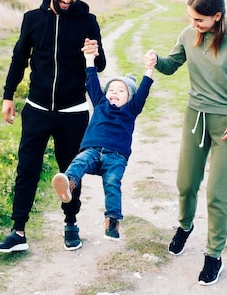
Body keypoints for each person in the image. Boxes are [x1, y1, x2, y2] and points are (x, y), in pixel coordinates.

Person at [145, 0, 227, 285]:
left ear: (217, 16)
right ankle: (184, 227)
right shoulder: (188, 35)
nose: (193, 24)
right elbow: (172, 66)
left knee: (217, 195)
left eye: (199, 20)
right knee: (186, 183)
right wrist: (157, 59)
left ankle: (213, 256)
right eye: (191, 18)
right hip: (195, 116)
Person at [0, 0, 106, 253]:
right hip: (37, 109)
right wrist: (8, 97)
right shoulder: (32, 19)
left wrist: (94, 53)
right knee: (26, 169)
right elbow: (19, 60)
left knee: (70, 174)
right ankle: (18, 231)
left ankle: (71, 224)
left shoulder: (88, 22)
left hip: (73, 113)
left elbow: (100, 65)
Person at [52, 47, 154, 241]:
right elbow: (91, 81)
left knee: (112, 183)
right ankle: (69, 184)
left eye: (121, 90)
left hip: (116, 156)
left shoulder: (131, 109)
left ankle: (113, 220)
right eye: (112, 90)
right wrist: (89, 59)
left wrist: (149, 69)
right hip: (92, 150)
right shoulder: (100, 103)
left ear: (129, 97)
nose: (114, 92)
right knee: (78, 161)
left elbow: (143, 89)